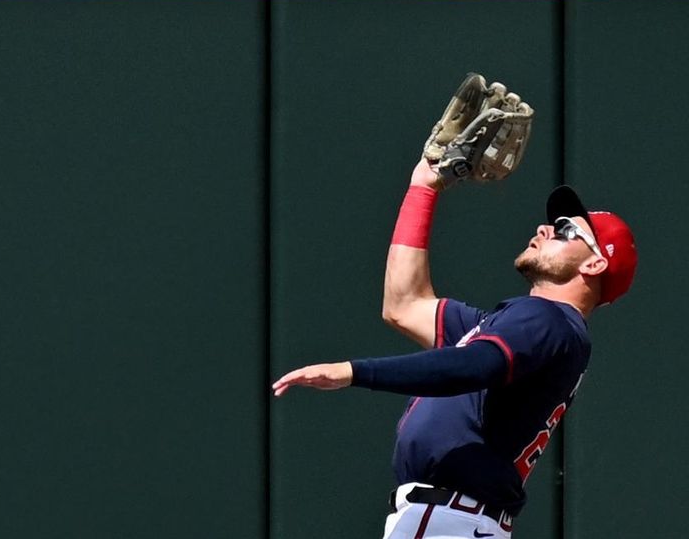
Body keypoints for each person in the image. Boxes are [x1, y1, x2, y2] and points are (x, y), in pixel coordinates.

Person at [272, 157, 637, 539]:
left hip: (450, 520)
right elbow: (404, 305)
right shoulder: (532, 328)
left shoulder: (546, 320)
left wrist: (353, 371)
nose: (545, 228)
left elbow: (473, 365)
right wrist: (423, 188)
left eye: (565, 230)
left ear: (595, 264)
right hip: (457, 520)